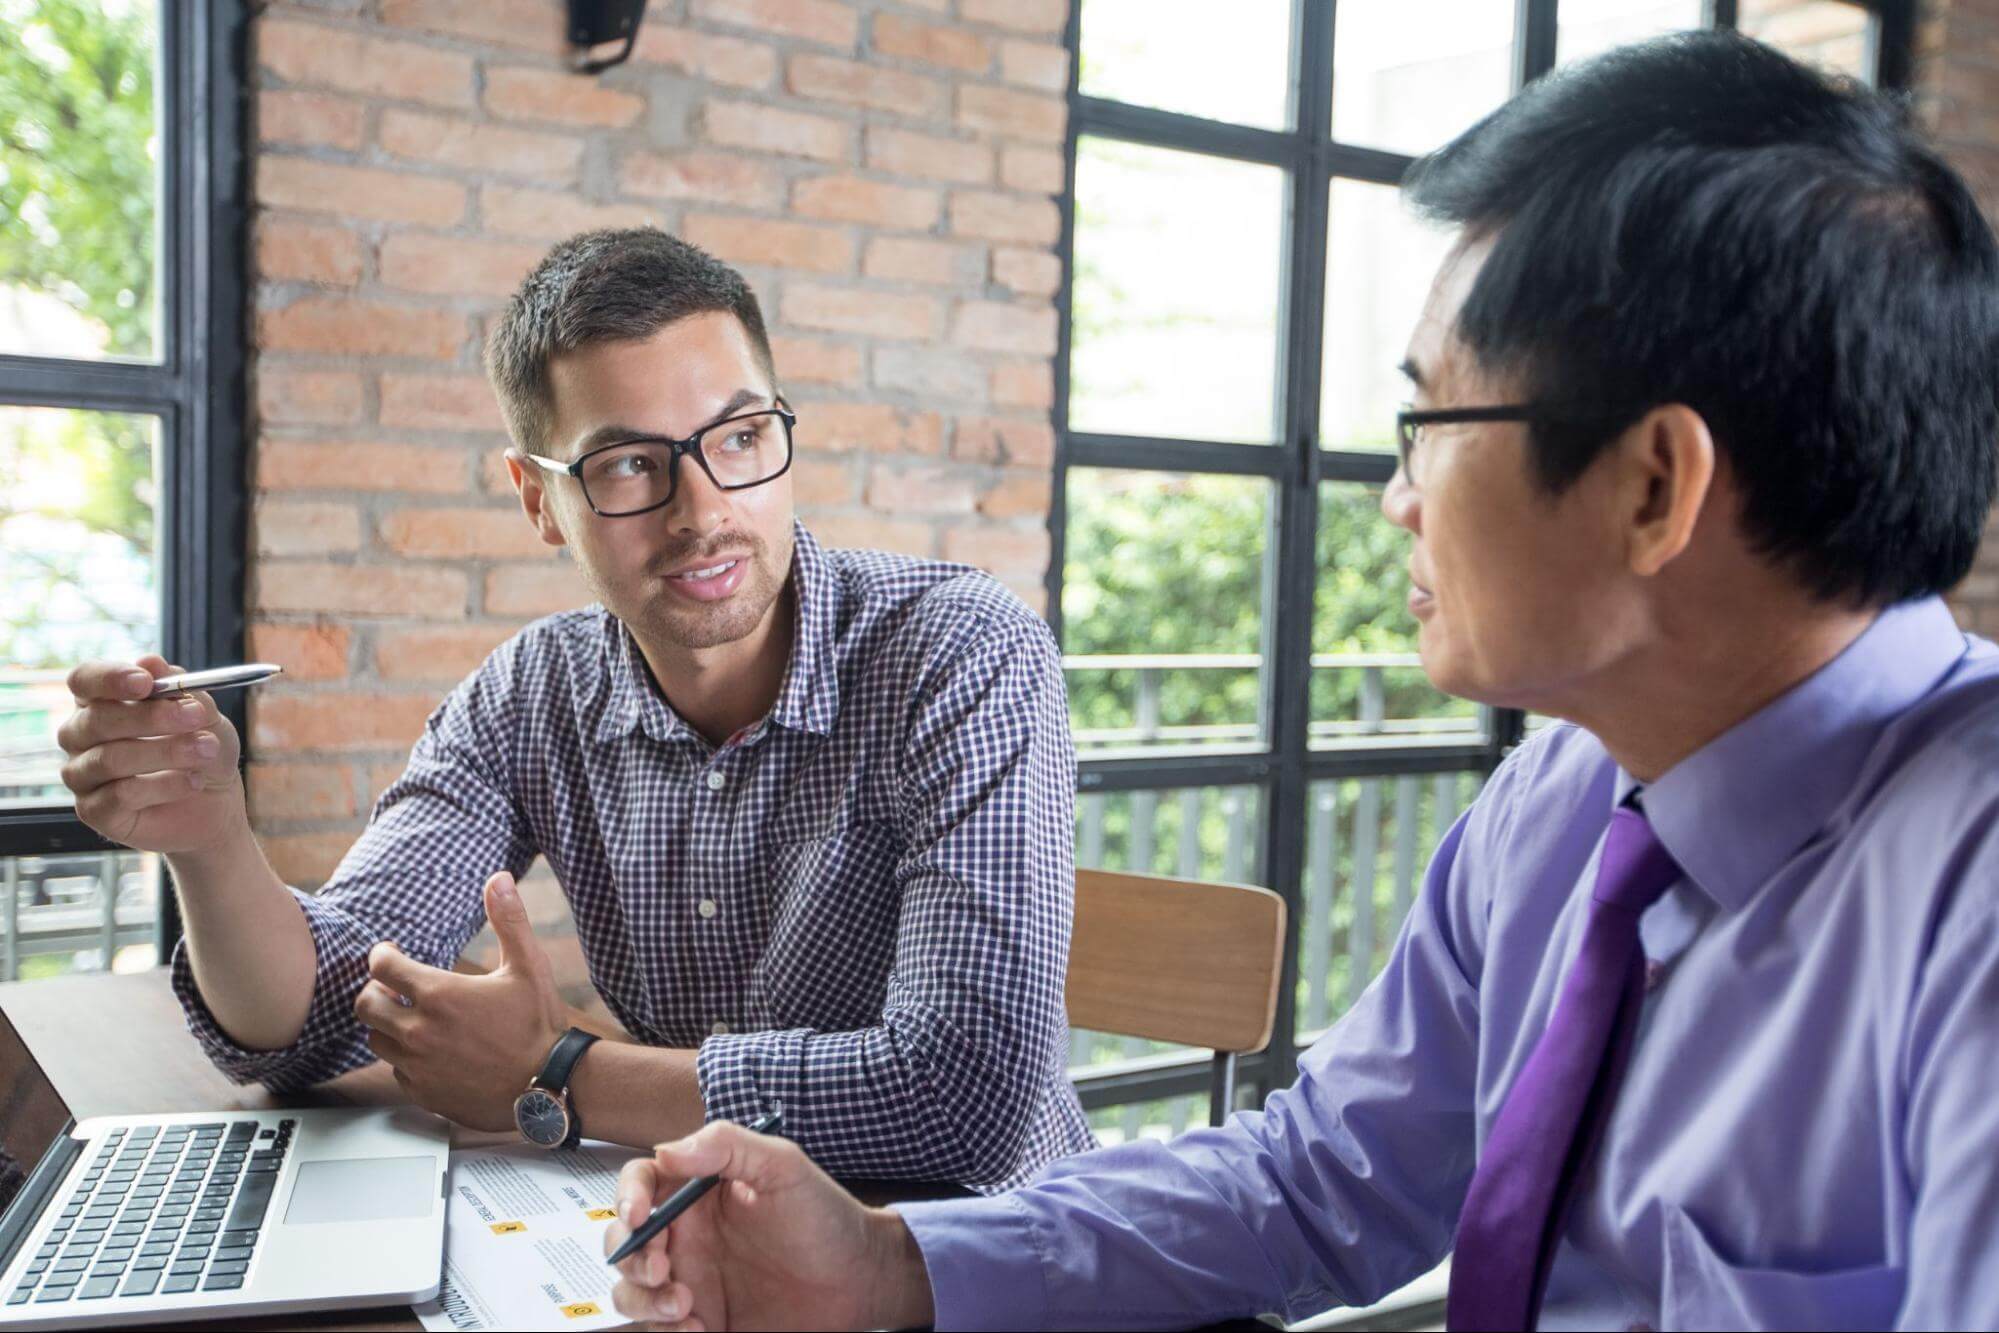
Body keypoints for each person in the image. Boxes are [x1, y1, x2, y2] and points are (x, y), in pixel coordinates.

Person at [601, 32, 1999, 1332]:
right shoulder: (1563, 801)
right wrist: (890, 1261)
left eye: (1426, 420)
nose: (1394, 498)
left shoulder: (1965, 890)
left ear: (1651, 482)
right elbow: (1320, 1177)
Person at [55, 229, 1095, 1191]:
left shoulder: (960, 650)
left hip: (982, 1261)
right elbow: (323, 1017)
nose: (705, 512)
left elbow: (971, 1103)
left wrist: (557, 1073)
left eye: (737, 437)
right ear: (536, 496)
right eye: (629, 464)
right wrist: (209, 838)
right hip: (703, 1244)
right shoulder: (530, 695)